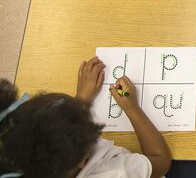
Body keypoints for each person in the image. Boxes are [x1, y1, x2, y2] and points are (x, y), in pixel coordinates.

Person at [0, 56, 171, 178]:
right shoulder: (116, 172)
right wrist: (132, 108)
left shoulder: (13, 153)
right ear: (82, 159)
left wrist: (81, 98)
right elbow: (161, 161)